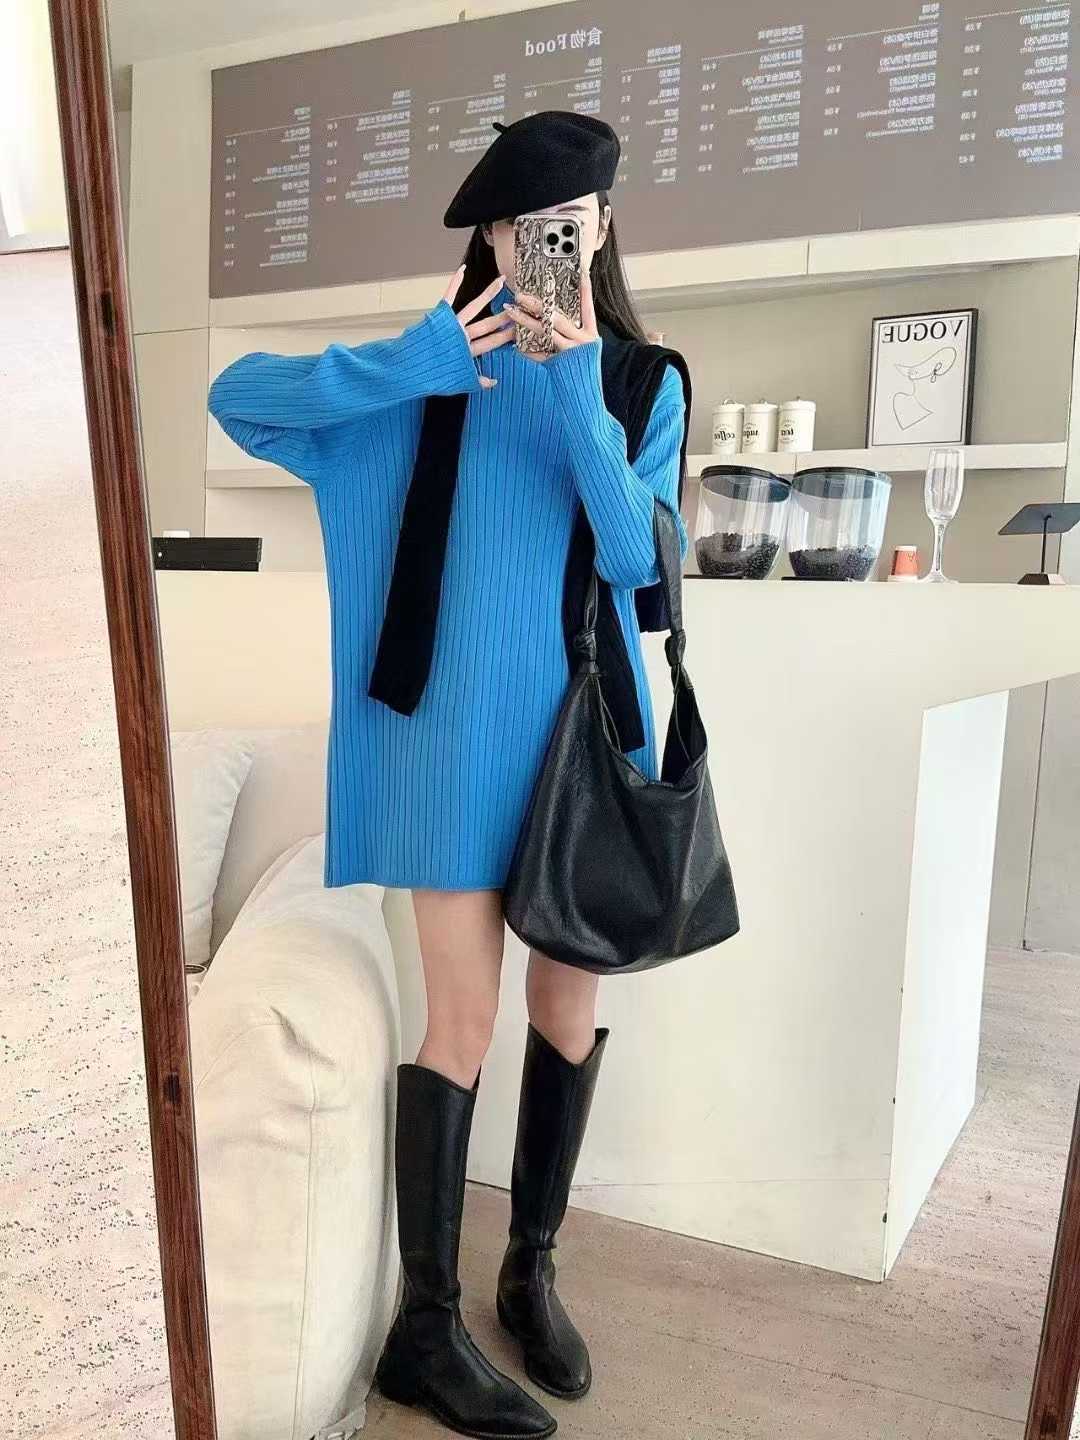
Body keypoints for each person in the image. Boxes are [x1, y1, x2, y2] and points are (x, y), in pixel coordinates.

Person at [208, 110, 691, 1440]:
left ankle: (530, 1269)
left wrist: (577, 381)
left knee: (568, 1005)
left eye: (568, 228)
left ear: (600, 232)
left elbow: (637, 561)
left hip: (582, 740)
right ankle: (425, 1327)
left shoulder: (643, 383)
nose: (542, 248)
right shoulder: (422, 376)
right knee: (461, 1021)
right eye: (521, 227)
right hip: (445, 742)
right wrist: (418, 356)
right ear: (489, 236)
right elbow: (238, 398)